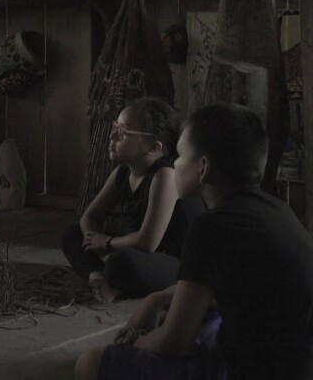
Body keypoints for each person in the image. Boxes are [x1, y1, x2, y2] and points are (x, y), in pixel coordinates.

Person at [76, 103, 313, 380]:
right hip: (296, 366)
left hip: (247, 371)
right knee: (190, 317)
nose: (174, 163)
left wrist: (134, 342)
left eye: (180, 155)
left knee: (90, 362)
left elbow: (174, 344)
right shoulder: (277, 210)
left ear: (202, 168)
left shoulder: (210, 226)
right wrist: (157, 299)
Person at [62, 97, 204, 303]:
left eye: (123, 132)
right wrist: (102, 251)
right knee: (72, 235)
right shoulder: (123, 172)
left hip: (178, 262)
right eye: (115, 127)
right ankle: (98, 278)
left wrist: (107, 243)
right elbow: (90, 217)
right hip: (141, 254)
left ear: (154, 147)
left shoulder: (166, 174)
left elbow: (148, 241)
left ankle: (117, 283)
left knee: (123, 262)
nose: (112, 136)